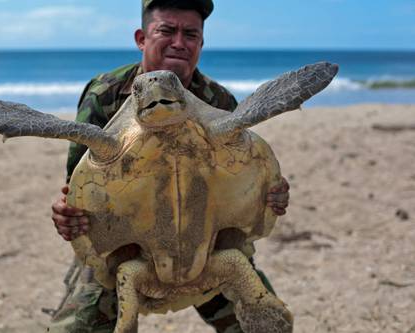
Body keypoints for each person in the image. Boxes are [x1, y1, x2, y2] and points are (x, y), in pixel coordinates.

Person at [48, 1, 289, 332]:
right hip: (127, 249)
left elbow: (241, 176)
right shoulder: (105, 93)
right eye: (166, 30)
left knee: (263, 323)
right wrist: (68, 212)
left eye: (190, 33)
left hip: (206, 244)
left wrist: (267, 195)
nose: (179, 42)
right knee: (77, 327)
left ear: (201, 43)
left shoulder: (218, 102)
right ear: (141, 38)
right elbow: (77, 185)